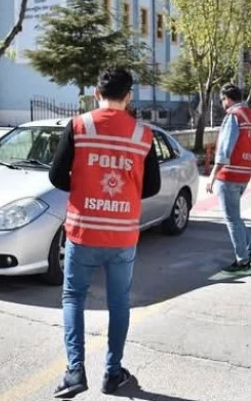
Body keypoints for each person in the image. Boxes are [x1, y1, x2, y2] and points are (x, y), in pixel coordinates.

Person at [48, 67, 161, 398]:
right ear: (129, 97)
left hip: (83, 232)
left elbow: (56, 176)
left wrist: (85, 188)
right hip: (122, 234)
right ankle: (112, 374)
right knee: (119, 303)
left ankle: (74, 372)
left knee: (73, 297)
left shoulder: (80, 125)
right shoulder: (143, 134)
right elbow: (151, 185)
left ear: (96, 94)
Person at [206, 83, 251, 274]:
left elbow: (224, 150)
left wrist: (212, 175)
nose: (222, 104)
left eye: (222, 100)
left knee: (231, 219)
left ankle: (242, 260)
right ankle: (250, 251)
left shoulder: (233, 116)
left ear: (227, 99)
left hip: (229, 174)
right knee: (236, 217)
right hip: (244, 173)